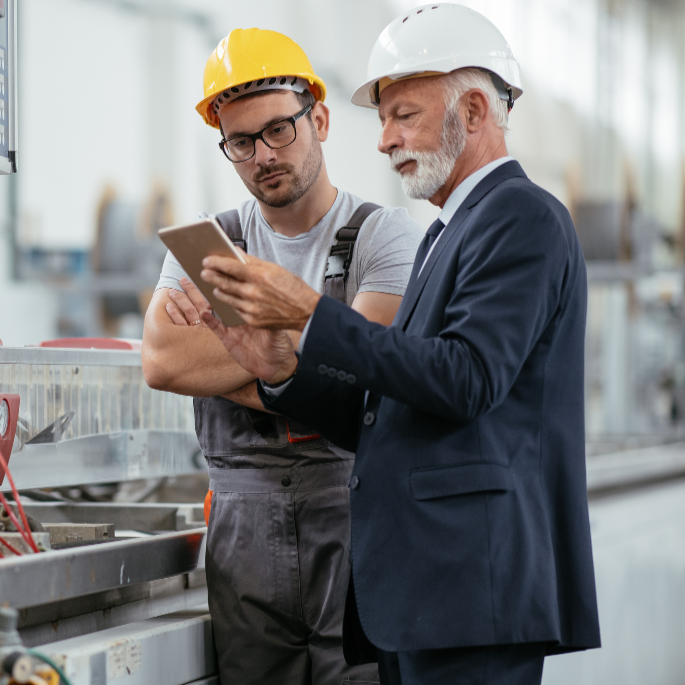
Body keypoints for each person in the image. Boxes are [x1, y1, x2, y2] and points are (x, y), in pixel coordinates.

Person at [193, 5, 601, 685]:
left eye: (401, 115)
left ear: (473, 110)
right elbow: (395, 404)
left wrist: (311, 313)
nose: (382, 140)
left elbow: (466, 378)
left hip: (474, 589)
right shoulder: (451, 229)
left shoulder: (521, 216)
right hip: (432, 592)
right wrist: (282, 371)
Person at [141, 27, 423, 685]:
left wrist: (239, 349)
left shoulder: (384, 236)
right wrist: (303, 351)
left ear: (319, 119)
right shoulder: (208, 242)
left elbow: (363, 379)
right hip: (240, 527)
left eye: (277, 130)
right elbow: (161, 361)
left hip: (351, 517)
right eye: (240, 141)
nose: (262, 154)